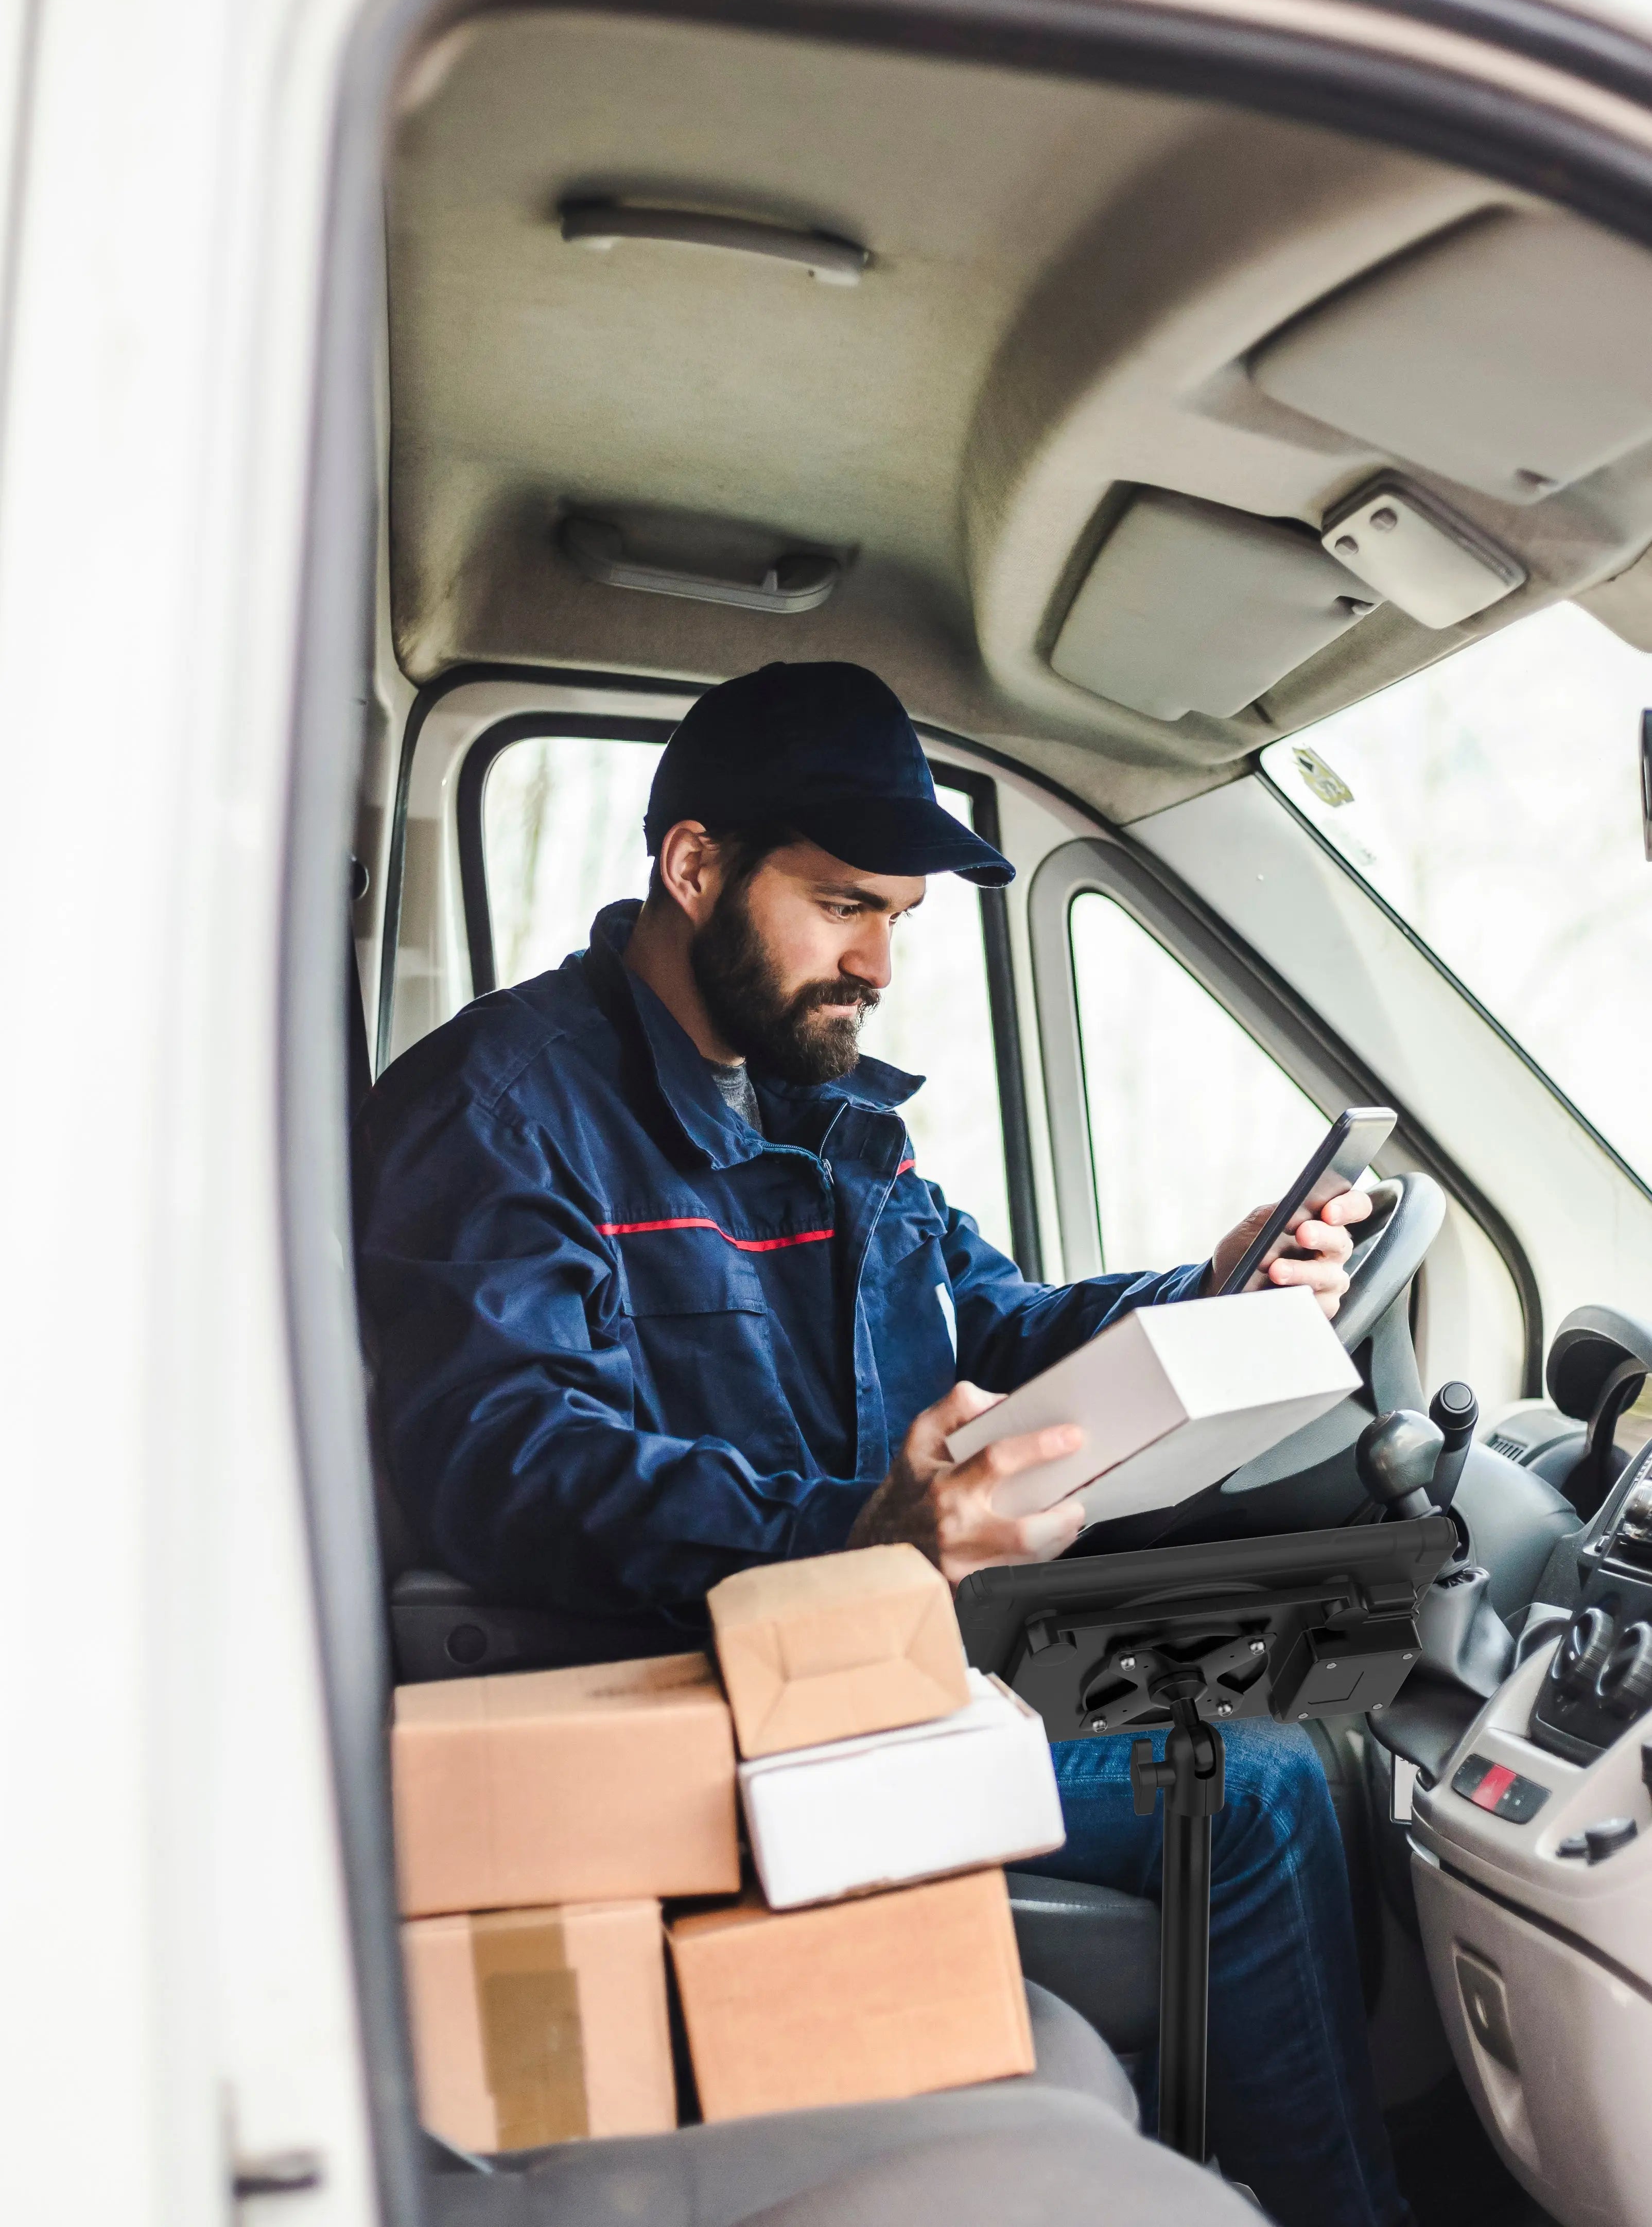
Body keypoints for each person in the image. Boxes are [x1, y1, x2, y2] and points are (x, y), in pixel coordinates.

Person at [354, 661, 1408, 2227]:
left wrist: (1210, 1287)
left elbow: (985, 1324)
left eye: (899, 919)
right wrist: (863, 1534)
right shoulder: (500, 1110)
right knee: (1245, 1789)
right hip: (685, 1702)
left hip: (857, 1665)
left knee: (1290, 1737)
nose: (878, 961)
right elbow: (507, 1464)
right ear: (693, 866)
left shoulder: (820, 1104)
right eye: (843, 904)